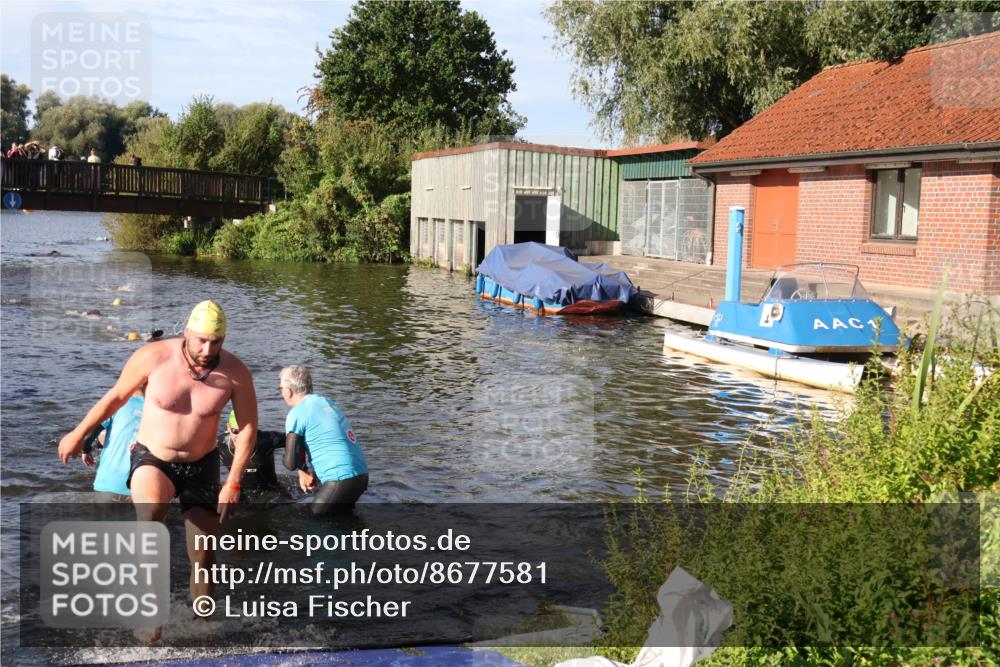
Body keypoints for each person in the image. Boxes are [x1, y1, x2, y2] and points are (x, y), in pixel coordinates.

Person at [58, 300, 258, 630]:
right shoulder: (154, 357)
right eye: (201, 340)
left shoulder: (235, 373)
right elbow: (116, 397)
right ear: (187, 332)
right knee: (150, 520)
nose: (208, 349)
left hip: (202, 463)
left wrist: (233, 481)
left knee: (204, 555)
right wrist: (78, 433)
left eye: (216, 342)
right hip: (153, 457)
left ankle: (203, 625)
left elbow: (249, 427)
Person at [279, 365, 368, 515]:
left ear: (288, 391)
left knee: (314, 526)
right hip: (361, 475)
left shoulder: (296, 413)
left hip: (340, 479)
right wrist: (304, 470)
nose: (281, 392)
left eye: (280, 388)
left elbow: (290, 462)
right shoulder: (327, 402)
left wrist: (298, 466)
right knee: (344, 522)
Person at [81, 387, 144, 501]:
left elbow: (90, 435)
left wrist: (85, 450)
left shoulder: (117, 403)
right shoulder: (161, 410)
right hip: (143, 488)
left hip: (108, 484)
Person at [217, 409, 288, 500]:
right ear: (228, 428)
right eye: (235, 431)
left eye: (245, 431)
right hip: (240, 493)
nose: (241, 437)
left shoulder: (265, 440)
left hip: (271, 492)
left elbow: (295, 439)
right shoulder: (220, 444)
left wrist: (301, 468)